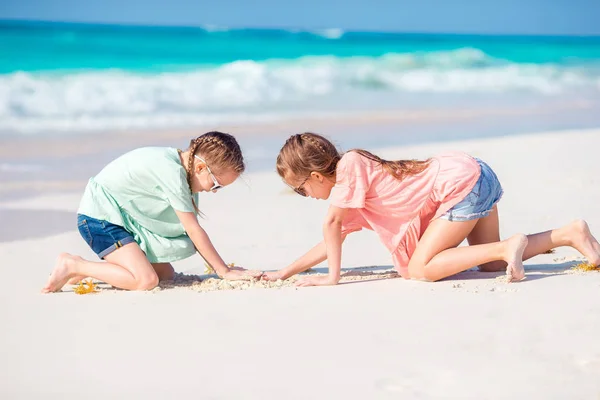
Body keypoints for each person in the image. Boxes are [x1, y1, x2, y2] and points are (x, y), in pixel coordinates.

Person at [263, 132, 600, 286]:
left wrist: (333, 280)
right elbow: (330, 241)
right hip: (473, 177)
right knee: (492, 265)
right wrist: (285, 272)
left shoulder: (351, 165)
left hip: (460, 183)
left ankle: (506, 244)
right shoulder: (353, 198)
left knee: (419, 268)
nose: (305, 195)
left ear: (317, 176)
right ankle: (569, 233)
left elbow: (331, 224)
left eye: (301, 190)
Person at [42, 131, 261, 293]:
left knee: (165, 275)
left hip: (123, 219)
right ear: (201, 168)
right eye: (216, 185)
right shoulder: (172, 173)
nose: (213, 192)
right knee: (145, 281)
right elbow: (193, 230)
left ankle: (86, 270)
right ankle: (73, 265)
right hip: (100, 218)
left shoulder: (182, 167)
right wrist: (224, 271)